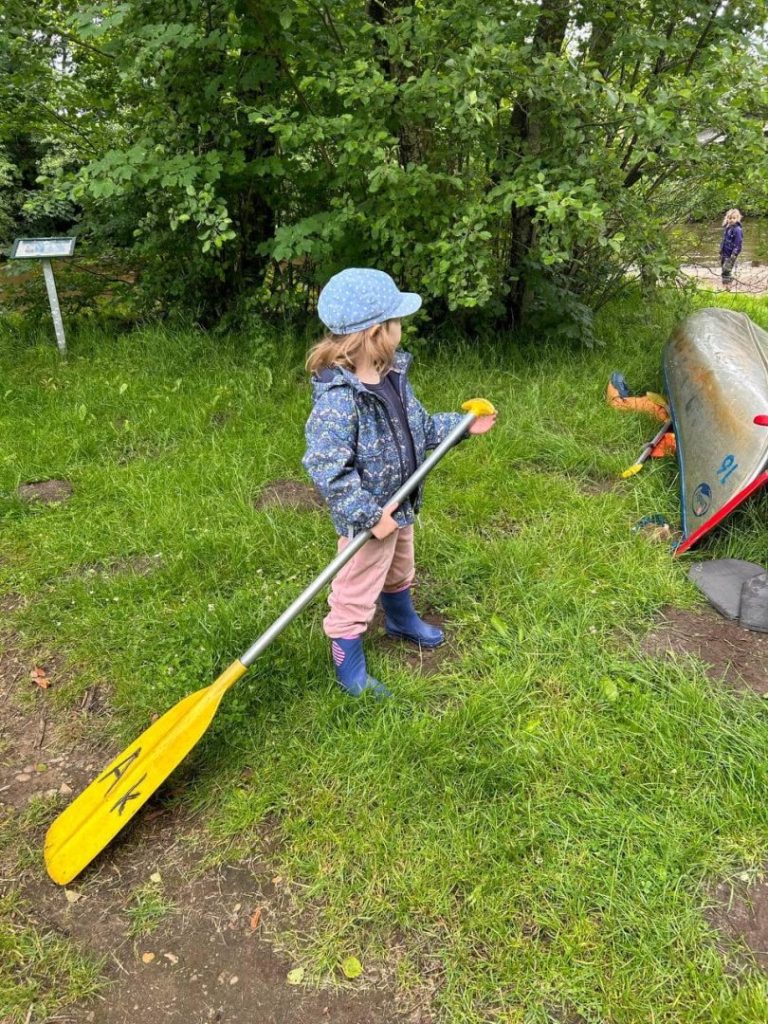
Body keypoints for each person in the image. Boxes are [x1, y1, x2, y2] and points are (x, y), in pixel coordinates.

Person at [303, 268, 496, 697]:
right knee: (357, 585)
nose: (401, 328)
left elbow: (421, 428)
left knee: (400, 566)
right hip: (369, 518)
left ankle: (400, 618)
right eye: (396, 321)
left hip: (402, 502)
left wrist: (461, 426)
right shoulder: (339, 402)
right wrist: (369, 515)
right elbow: (326, 469)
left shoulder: (392, 376)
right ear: (376, 332)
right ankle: (346, 660)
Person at [720, 208, 743, 287]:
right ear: (727, 218)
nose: (732, 220)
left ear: (738, 218)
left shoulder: (737, 229)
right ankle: (727, 283)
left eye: (734, 218)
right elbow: (724, 240)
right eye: (730, 218)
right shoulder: (727, 228)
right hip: (724, 253)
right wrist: (721, 250)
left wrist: (734, 253)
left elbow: (738, 242)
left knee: (726, 269)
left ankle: (727, 286)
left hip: (731, 254)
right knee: (724, 268)